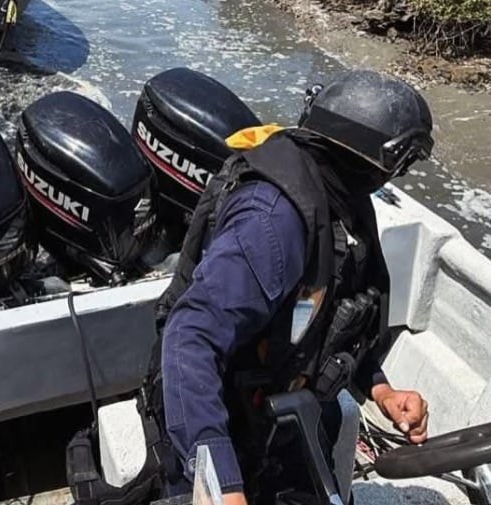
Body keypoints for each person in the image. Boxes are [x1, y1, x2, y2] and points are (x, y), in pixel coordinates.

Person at [145, 69, 435, 504]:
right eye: (403, 164)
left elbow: (338, 316)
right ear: (381, 159)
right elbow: (189, 336)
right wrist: (221, 484)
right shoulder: (273, 221)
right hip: (213, 418)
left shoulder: (341, 205)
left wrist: (382, 389)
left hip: (281, 412)